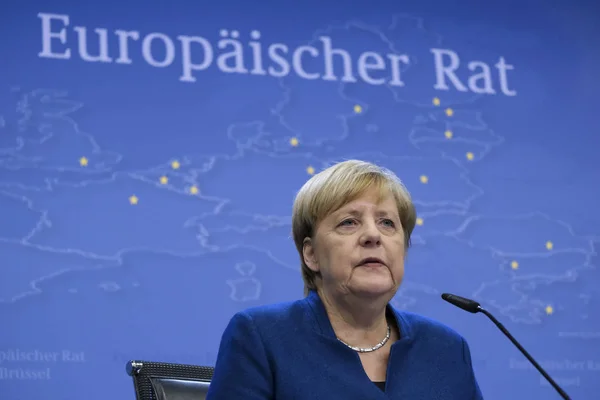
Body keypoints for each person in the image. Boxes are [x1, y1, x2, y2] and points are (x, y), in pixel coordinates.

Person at [206, 159, 484, 399]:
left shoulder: (446, 349)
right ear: (311, 254)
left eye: (387, 223)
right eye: (349, 222)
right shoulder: (262, 337)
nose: (373, 235)